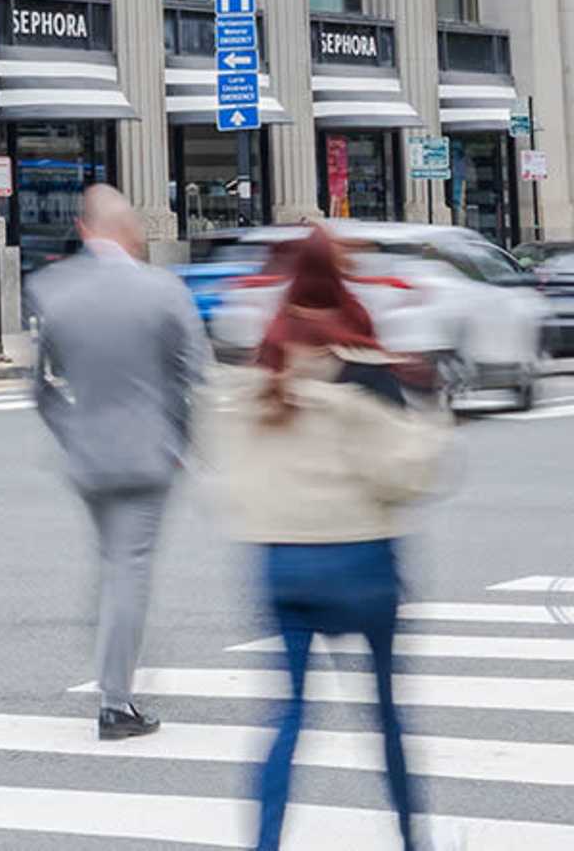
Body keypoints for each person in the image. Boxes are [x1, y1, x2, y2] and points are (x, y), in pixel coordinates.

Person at [213, 225, 444, 851]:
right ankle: (409, 836)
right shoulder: (364, 368)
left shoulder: (261, 373)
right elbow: (409, 473)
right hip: (360, 556)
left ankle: (265, 842)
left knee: (286, 714)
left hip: (283, 561)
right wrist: (432, 407)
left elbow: (227, 467)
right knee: (385, 714)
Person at [23, 183, 208, 742]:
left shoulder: (53, 289)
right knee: (129, 570)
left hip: (87, 454)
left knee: (111, 567)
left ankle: (113, 678)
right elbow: (191, 373)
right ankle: (115, 700)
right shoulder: (163, 290)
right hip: (147, 453)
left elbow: (40, 386)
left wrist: (70, 431)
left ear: (85, 229)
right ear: (130, 231)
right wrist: (180, 440)